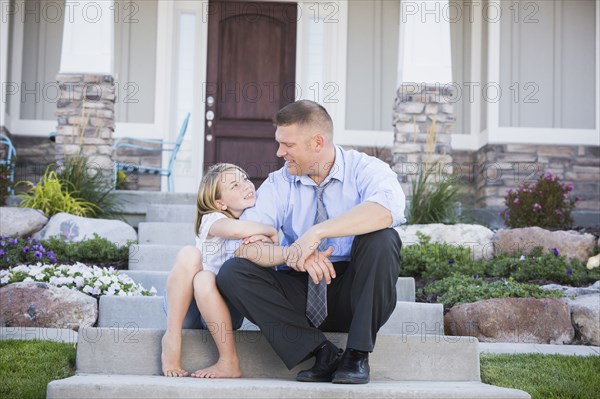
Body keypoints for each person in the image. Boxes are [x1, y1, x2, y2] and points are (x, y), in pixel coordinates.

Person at [216, 99, 405, 384]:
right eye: (279, 144)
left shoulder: (366, 169)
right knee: (234, 271)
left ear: (317, 142)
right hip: (299, 290)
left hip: (355, 293)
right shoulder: (279, 183)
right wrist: (295, 253)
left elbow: (386, 210)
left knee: (383, 238)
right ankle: (322, 352)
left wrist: (314, 234)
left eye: (288, 145)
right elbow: (247, 246)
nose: (280, 153)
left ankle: (357, 355)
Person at [161, 163, 278, 378]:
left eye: (244, 178)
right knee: (190, 255)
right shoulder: (212, 219)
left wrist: (265, 240)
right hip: (187, 309)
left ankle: (229, 361)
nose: (245, 185)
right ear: (220, 203)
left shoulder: (254, 219)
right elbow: (234, 230)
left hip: (225, 313)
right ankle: (172, 336)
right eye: (235, 185)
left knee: (205, 279)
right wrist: (270, 231)